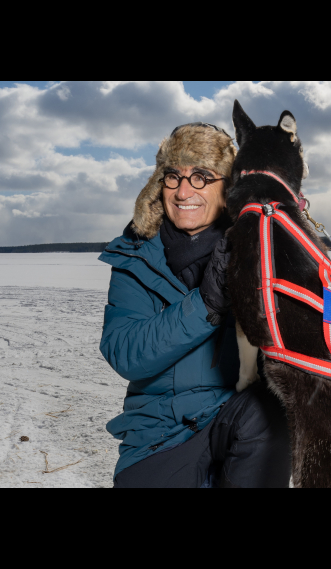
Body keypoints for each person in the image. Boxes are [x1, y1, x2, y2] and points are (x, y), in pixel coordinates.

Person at [98, 123, 290, 487]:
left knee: (267, 413)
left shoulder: (255, 253)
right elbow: (125, 352)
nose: (184, 190)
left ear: (227, 189)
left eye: (202, 176)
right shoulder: (135, 257)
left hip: (237, 417)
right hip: (160, 433)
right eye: (173, 176)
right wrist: (205, 304)